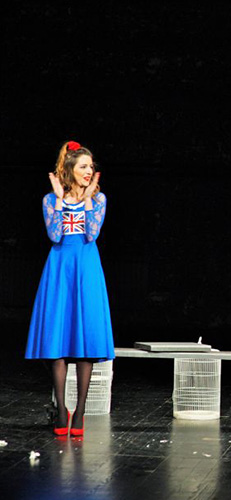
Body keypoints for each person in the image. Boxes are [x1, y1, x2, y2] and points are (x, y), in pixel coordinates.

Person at [25, 141, 114, 437]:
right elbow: (55, 235)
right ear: (70, 169)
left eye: (91, 166)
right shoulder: (51, 199)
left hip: (86, 266)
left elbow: (91, 234)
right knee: (58, 335)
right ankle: (62, 411)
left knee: (84, 337)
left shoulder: (98, 199)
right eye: (83, 166)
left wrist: (87, 201)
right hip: (61, 265)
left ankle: (81, 412)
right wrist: (61, 200)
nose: (89, 171)